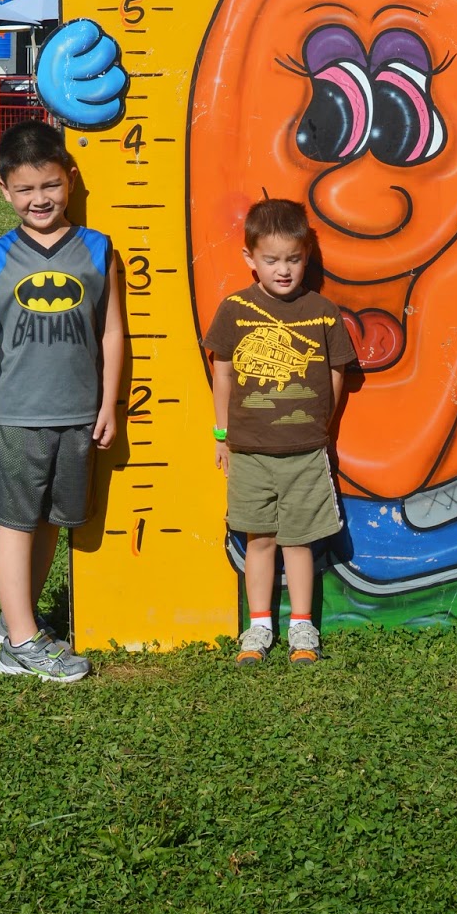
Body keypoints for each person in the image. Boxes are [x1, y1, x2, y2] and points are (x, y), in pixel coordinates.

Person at [0, 119, 123, 682]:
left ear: (71, 180)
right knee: (16, 522)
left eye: (50, 185)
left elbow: (112, 334)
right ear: (4, 190)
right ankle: (25, 644)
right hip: (17, 417)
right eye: (25, 189)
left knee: (53, 521)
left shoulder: (99, 250)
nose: (40, 199)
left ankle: (17, 623)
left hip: (79, 415)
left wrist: (108, 403)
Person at [204, 197, 357, 665]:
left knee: (299, 542)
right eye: (271, 260)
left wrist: (321, 430)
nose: (284, 270)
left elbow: (336, 375)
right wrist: (221, 434)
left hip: (306, 453)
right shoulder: (234, 310)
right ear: (250, 259)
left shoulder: (323, 312)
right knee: (259, 540)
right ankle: (258, 628)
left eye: (293, 258)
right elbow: (223, 374)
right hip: (249, 453)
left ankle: (302, 630)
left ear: (306, 255)